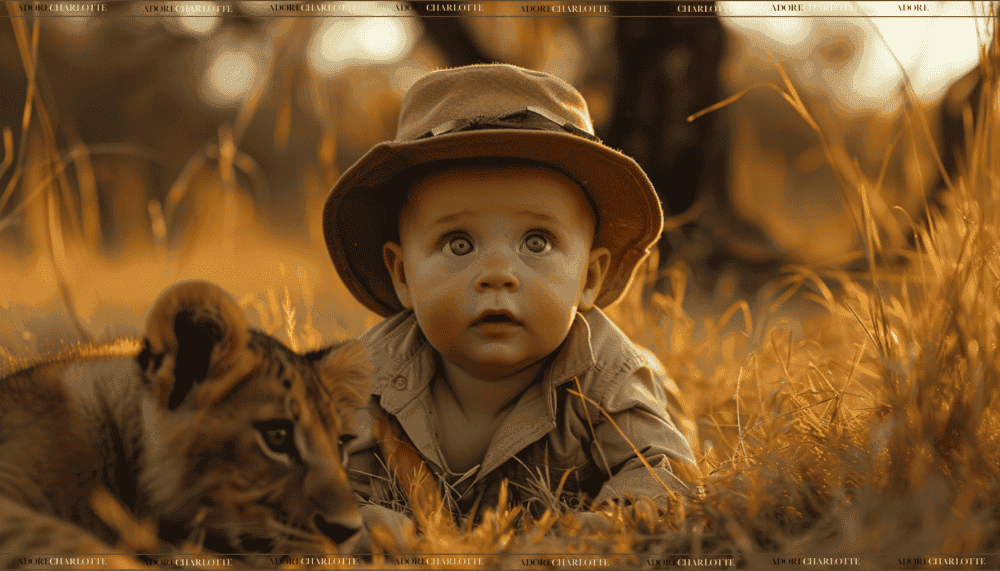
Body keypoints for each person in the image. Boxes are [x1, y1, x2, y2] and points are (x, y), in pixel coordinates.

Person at [321, 63, 698, 545]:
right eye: (458, 244)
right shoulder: (368, 378)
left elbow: (667, 472)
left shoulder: (607, 378)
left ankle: (668, 389)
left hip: (640, 381)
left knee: (660, 398)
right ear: (403, 276)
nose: (497, 273)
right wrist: (363, 517)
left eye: (537, 243)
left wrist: (608, 524)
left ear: (589, 278)